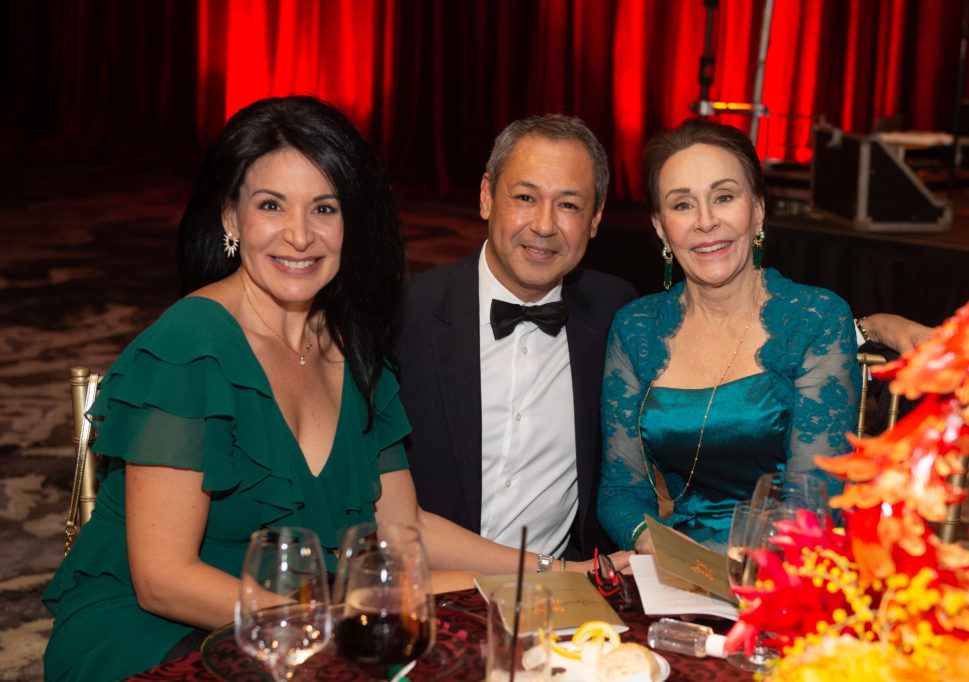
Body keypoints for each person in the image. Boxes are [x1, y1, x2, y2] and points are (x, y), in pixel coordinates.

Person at [42, 98, 593, 682]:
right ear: (231, 218)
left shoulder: (354, 351)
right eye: (271, 205)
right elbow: (163, 580)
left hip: (304, 630)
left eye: (323, 208)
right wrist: (326, 625)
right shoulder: (189, 347)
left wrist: (553, 571)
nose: (300, 236)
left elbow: (407, 536)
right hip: (157, 640)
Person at [599, 118, 861, 556]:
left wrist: (721, 570)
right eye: (682, 205)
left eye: (724, 197)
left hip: (783, 573)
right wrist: (660, 551)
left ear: (758, 209)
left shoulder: (815, 320)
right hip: (675, 565)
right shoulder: (636, 327)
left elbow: (813, 507)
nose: (705, 222)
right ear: (660, 227)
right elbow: (619, 491)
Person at [395, 115, 637, 566]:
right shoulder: (402, 318)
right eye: (525, 198)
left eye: (569, 205)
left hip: (560, 609)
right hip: (426, 594)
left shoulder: (614, 312)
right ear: (487, 196)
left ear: (596, 218)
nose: (544, 225)